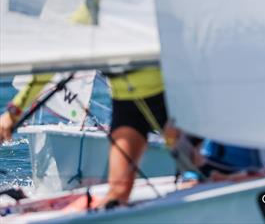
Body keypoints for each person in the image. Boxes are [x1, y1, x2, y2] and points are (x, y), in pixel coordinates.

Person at [1, 67, 168, 208]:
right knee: (117, 192)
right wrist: (14, 111)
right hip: (127, 107)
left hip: (171, 99)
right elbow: (57, 60)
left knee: (192, 168)